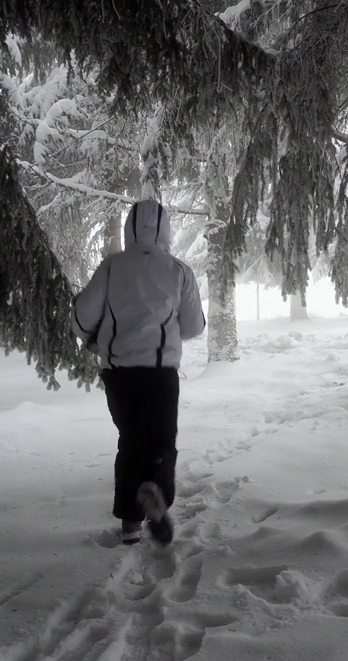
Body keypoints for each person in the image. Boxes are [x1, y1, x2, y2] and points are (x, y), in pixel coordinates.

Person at [72, 199, 206, 546]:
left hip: (119, 373)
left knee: (131, 441)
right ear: (165, 229)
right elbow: (193, 326)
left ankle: (130, 522)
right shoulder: (178, 270)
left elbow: (82, 319)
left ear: (131, 227)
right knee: (161, 442)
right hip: (161, 372)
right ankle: (156, 490)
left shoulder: (111, 267)